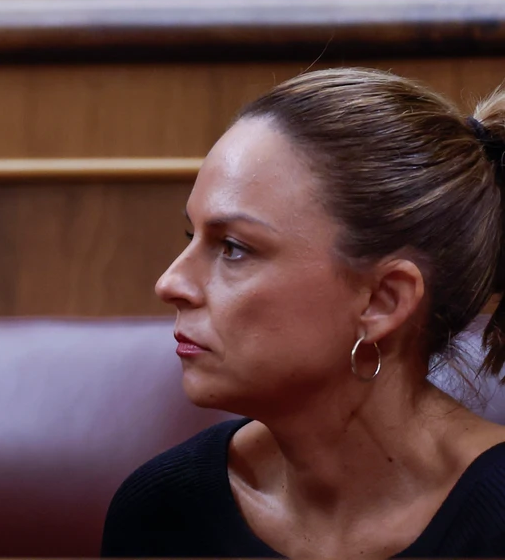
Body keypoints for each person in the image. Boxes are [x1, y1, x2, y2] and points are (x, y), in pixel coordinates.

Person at [104, 68, 505, 558]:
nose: (170, 284)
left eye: (232, 248)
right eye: (194, 238)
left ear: (383, 300)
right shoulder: (163, 512)